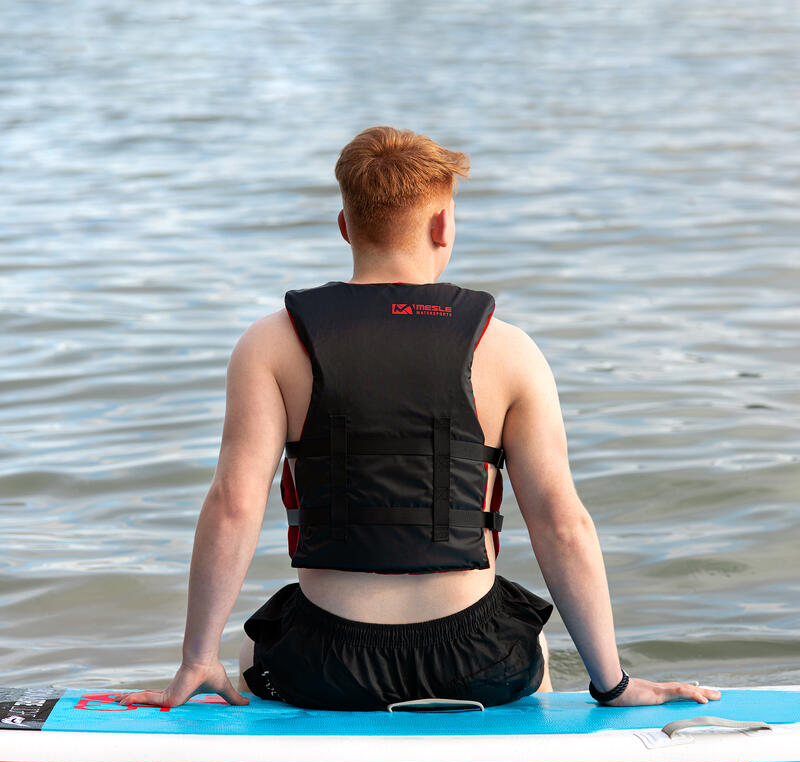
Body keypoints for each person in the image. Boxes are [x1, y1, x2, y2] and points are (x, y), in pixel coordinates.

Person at [110, 127, 720, 711]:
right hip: (478, 659)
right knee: (527, 636)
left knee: (255, 642)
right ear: (442, 224)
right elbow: (561, 524)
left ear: (345, 226)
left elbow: (234, 504)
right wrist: (613, 684)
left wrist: (197, 656)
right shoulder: (507, 349)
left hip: (323, 663)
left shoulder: (270, 344)